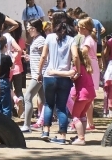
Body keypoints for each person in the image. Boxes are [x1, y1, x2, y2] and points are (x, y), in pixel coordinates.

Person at [37, 11, 79, 144]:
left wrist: (39, 72)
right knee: (61, 106)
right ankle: (62, 136)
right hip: (64, 77)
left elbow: (43, 56)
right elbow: (76, 56)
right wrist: (77, 71)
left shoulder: (49, 37)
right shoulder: (71, 39)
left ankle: (46, 131)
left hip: (49, 75)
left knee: (49, 104)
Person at [19, 19, 46, 132]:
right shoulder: (36, 39)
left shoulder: (40, 40)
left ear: (34, 29)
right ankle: (66, 120)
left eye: (29, 28)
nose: (27, 30)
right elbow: (40, 56)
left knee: (27, 97)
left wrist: (40, 72)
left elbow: (45, 56)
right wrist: (30, 58)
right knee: (45, 101)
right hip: (38, 73)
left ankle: (27, 125)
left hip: (39, 74)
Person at [69, 44, 96, 145]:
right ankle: (81, 135)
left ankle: (81, 138)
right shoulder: (86, 67)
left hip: (83, 95)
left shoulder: (77, 68)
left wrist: (54, 72)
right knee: (82, 116)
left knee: (75, 116)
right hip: (90, 94)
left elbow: (70, 74)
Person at [0, 37, 13, 116]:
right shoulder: (7, 57)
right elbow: (12, 66)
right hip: (4, 81)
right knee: (6, 104)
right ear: (5, 46)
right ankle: (6, 121)